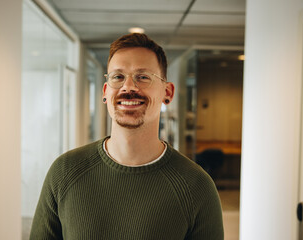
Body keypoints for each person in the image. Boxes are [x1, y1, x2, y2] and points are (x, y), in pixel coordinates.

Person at [30, 33, 224, 239]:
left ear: (167, 92)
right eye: (118, 77)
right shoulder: (64, 172)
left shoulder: (196, 186)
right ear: (106, 92)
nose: (128, 87)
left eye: (143, 77)